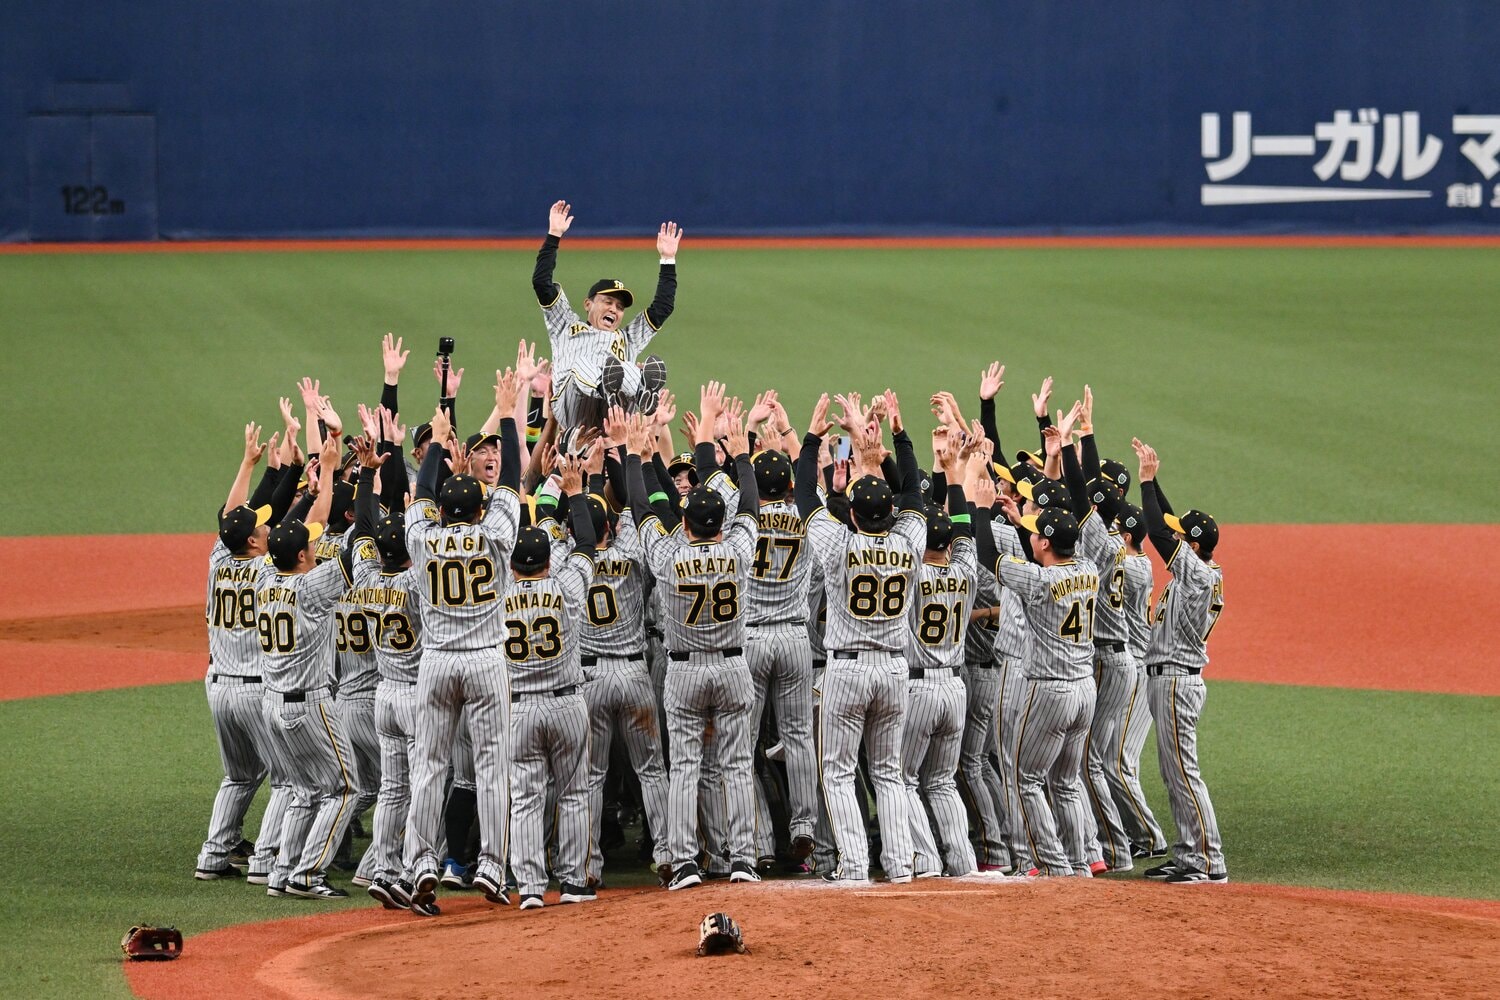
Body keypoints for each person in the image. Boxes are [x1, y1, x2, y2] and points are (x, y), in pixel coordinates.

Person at [623, 386, 760, 890]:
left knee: (684, 766)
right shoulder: (739, 549)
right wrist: (741, 455)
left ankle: (684, 863)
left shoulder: (668, 555)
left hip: (682, 669)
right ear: (722, 526)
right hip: (733, 666)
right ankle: (742, 858)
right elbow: (751, 506)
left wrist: (635, 456)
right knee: (736, 765)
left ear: (683, 523)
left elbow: (641, 510)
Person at [400, 370, 526, 915]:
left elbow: (422, 493)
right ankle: (493, 866)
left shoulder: (423, 539)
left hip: (435, 663)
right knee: (492, 766)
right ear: (478, 509)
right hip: (485, 661)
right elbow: (513, 479)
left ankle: (421, 864)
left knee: (429, 765)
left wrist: (436, 438)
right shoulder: (495, 534)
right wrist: (507, 414)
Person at [794, 391, 926, 884]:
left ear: (852, 514)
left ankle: (853, 864)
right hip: (893, 668)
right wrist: (898, 434)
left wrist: (812, 439)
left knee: (838, 771)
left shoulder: (838, 544)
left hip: (847, 669)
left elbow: (805, 497)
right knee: (888, 773)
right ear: (890, 513)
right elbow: (913, 493)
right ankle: (900, 864)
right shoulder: (909, 541)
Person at [972, 471, 1100, 879]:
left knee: (1025, 779)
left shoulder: (1041, 581)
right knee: (1066, 782)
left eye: (1034, 533)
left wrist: (980, 509)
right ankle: (1078, 863)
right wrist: (1018, 522)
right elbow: (1033, 561)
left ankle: (1051, 865)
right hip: (1085, 690)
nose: (1030, 536)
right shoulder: (1089, 570)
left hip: (1049, 691)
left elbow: (989, 556)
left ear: (1044, 543)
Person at [257, 430, 362, 899]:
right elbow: (356, 546)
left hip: (272, 704)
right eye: (310, 547)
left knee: (303, 789)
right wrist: (365, 478)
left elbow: (304, 529)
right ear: (302, 556)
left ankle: (281, 872)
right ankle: (307, 874)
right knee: (345, 789)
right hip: (310, 705)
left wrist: (327, 477)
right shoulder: (312, 588)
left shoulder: (264, 577)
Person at [195, 419, 295, 881]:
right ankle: (266, 860)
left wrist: (249, 464)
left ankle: (213, 856)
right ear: (254, 541)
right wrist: (291, 475)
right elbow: (278, 519)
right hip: (256, 689)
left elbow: (232, 519)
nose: (267, 527)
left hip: (218, 687)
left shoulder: (218, 560)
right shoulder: (265, 570)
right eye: (261, 528)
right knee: (286, 777)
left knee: (238, 776)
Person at [503, 455, 599, 910]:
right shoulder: (566, 586)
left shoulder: (498, 595)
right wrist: (575, 493)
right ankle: (574, 882)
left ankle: (529, 887)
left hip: (519, 707)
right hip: (565, 703)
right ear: (547, 561)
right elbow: (586, 544)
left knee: (526, 797)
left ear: (512, 566)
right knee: (574, 792)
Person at [1132, 439, 1229, 885]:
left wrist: (1146, 483)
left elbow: (1157, 532)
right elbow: (1170, 527)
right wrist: (1156, 485)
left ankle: (1209, 861)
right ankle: (1190, 853)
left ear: (1192, 546)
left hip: (1177, 680)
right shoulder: (1204, 568)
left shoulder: (1197, 576)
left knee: (1184, 773)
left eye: (1183, 538)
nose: (1176, 539)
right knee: (1174, 774)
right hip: (1171, 678)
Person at [901, 431, 979, 878]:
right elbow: (965, 527)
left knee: (905, 779)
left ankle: (928, 861)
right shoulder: (966, 570)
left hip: (918, 688)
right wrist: (953, 475)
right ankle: (962, 861)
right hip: (955, 687)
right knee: (943, 782)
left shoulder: (910, 572)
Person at [532, 200, 681, 429]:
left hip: (612, 413)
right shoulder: (565, 325)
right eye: (607, 302)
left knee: (628, 369)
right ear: (588, 304)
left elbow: (662, 308)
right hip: (570, 407)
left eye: (620, 307)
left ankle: (642, 394)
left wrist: (668, 259)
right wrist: (554, 235)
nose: (614, 309)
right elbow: (542, 283)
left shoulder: (627, 339)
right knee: (584, 365)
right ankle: (611, 387)